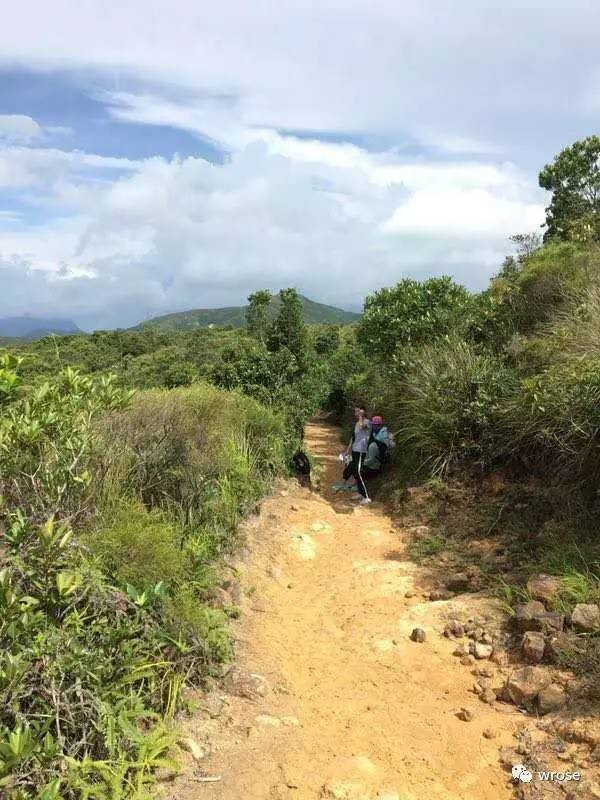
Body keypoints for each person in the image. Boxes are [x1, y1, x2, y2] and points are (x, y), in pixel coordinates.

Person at [342, 405, 372, 504]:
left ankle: (366, 497)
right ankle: (360, 493)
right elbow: (353, 437)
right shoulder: (356, 424)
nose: (356, 413)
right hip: (355, 450)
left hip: (361, 451)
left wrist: (361, 416)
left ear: (362, 412)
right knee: (355, 471)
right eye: (356, 411)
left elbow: (362, 426)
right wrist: (348, 449)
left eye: (357, 411)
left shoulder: (367, 422)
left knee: (358, 472)